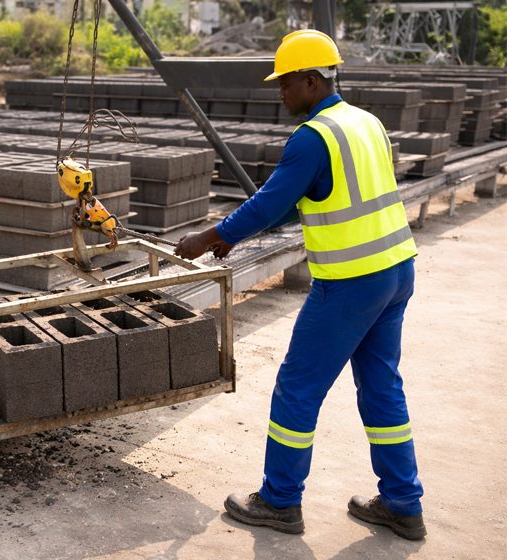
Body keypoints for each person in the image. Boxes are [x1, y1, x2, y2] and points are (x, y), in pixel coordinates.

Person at [174, 29, 426, 540]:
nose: (281, 93)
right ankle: (403, 501)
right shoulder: (365, 122)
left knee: (297, 387)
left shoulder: (313, 137)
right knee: (381, 386)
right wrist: (234, 238)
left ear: (312, 80)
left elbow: (270, 202)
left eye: (286, 83)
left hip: (351, 283)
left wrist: (209, 236)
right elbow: (312, 195)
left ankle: (280, 500)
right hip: (396, 271)